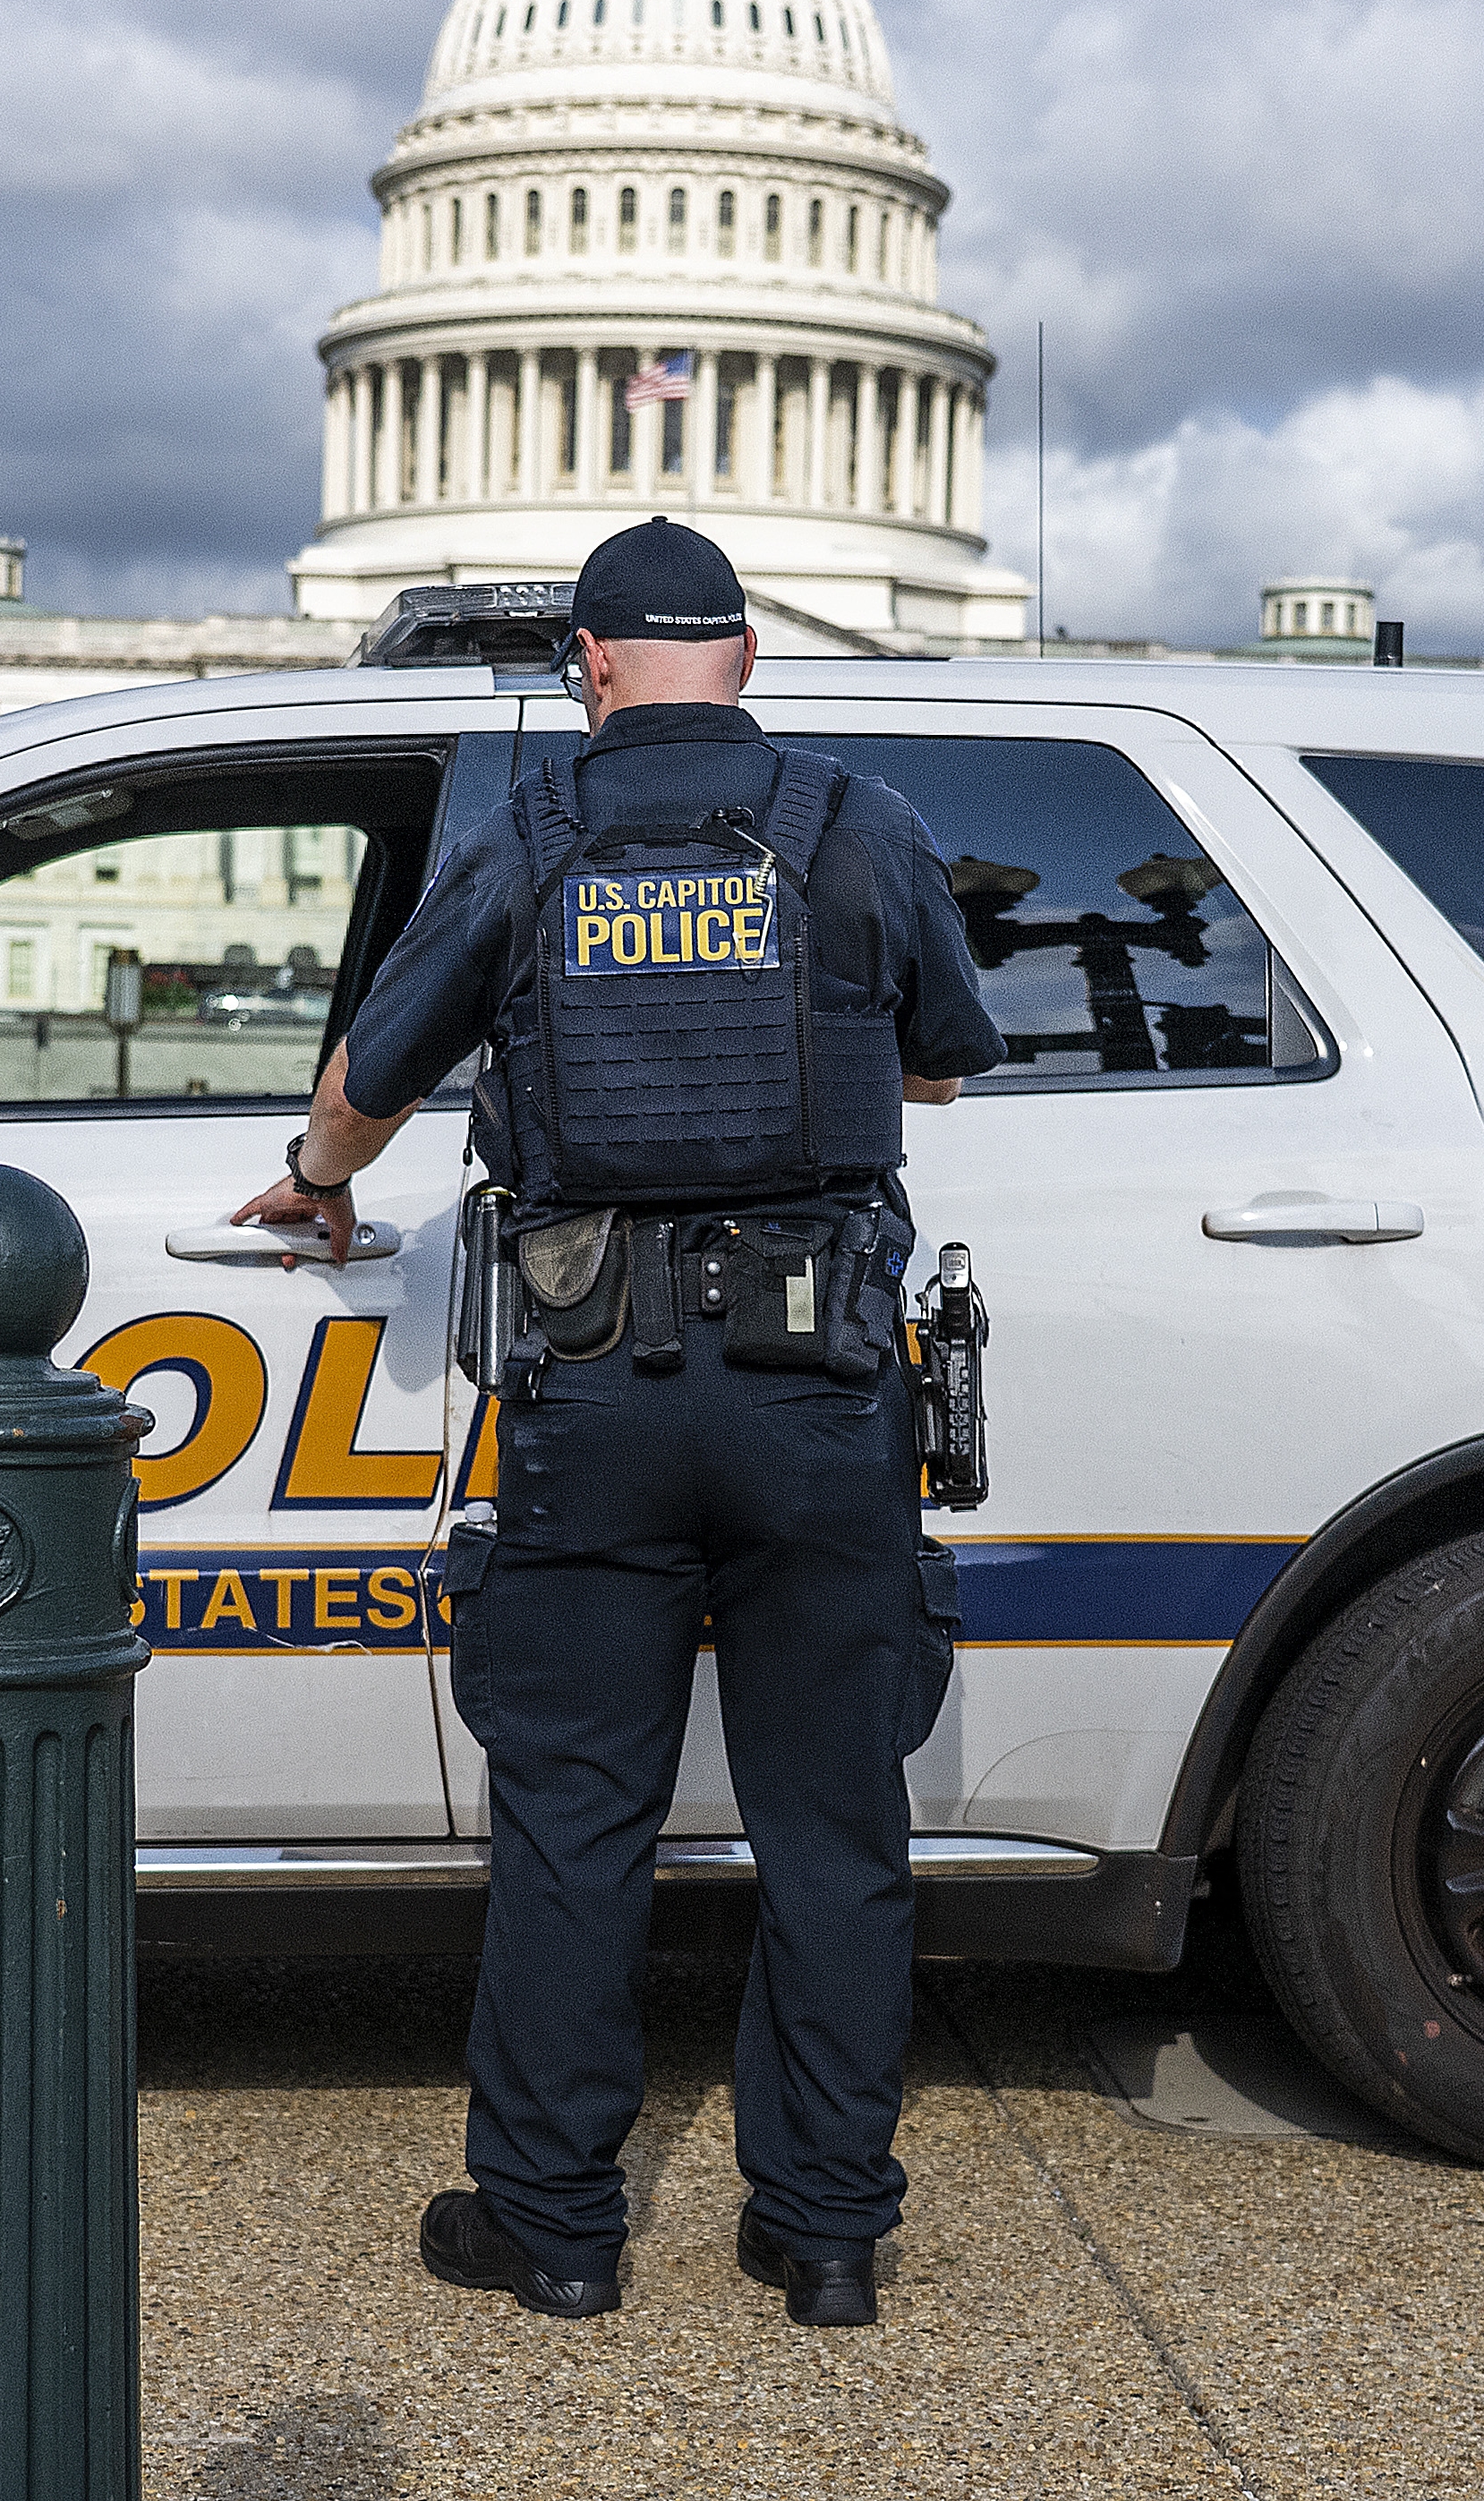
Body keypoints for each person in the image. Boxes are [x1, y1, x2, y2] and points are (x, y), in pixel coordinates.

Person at [226, 518, 1006, 2330]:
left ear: (590, 661)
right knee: (834, 1821)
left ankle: (556, 2226)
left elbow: (370, 1080)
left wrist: (312, 1181)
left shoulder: (532, 836)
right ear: (744, 652)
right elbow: (945, 1053)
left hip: (596, 1381)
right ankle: (823, 2233)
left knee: (577, 1815)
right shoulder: (856, 821)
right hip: (822, 1385)